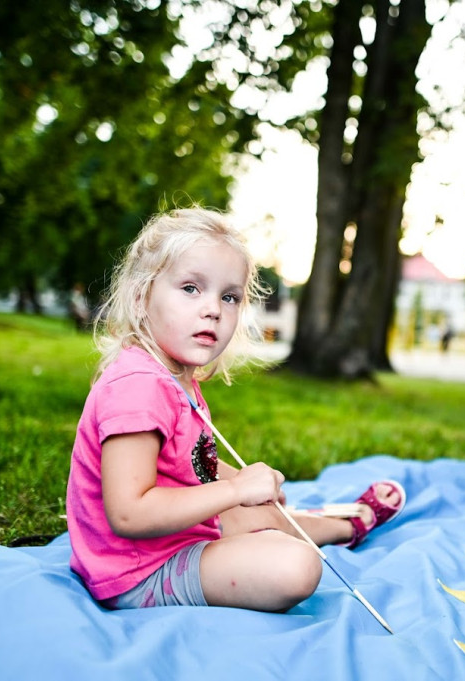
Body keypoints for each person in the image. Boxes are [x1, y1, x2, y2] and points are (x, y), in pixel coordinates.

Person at [65, 207, 405, 612]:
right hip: (139, 571)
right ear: (141, 297)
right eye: (191, 288)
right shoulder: (138, 386)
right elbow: (129, 513)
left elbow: (186, 462)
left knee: (263, 514)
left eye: (229, 297)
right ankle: (335, 526)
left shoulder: (172, 377)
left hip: (172, 538)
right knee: (296, 567)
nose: (213, 309)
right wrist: (234, 491)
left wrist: (239, 482)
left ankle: (343, 525)